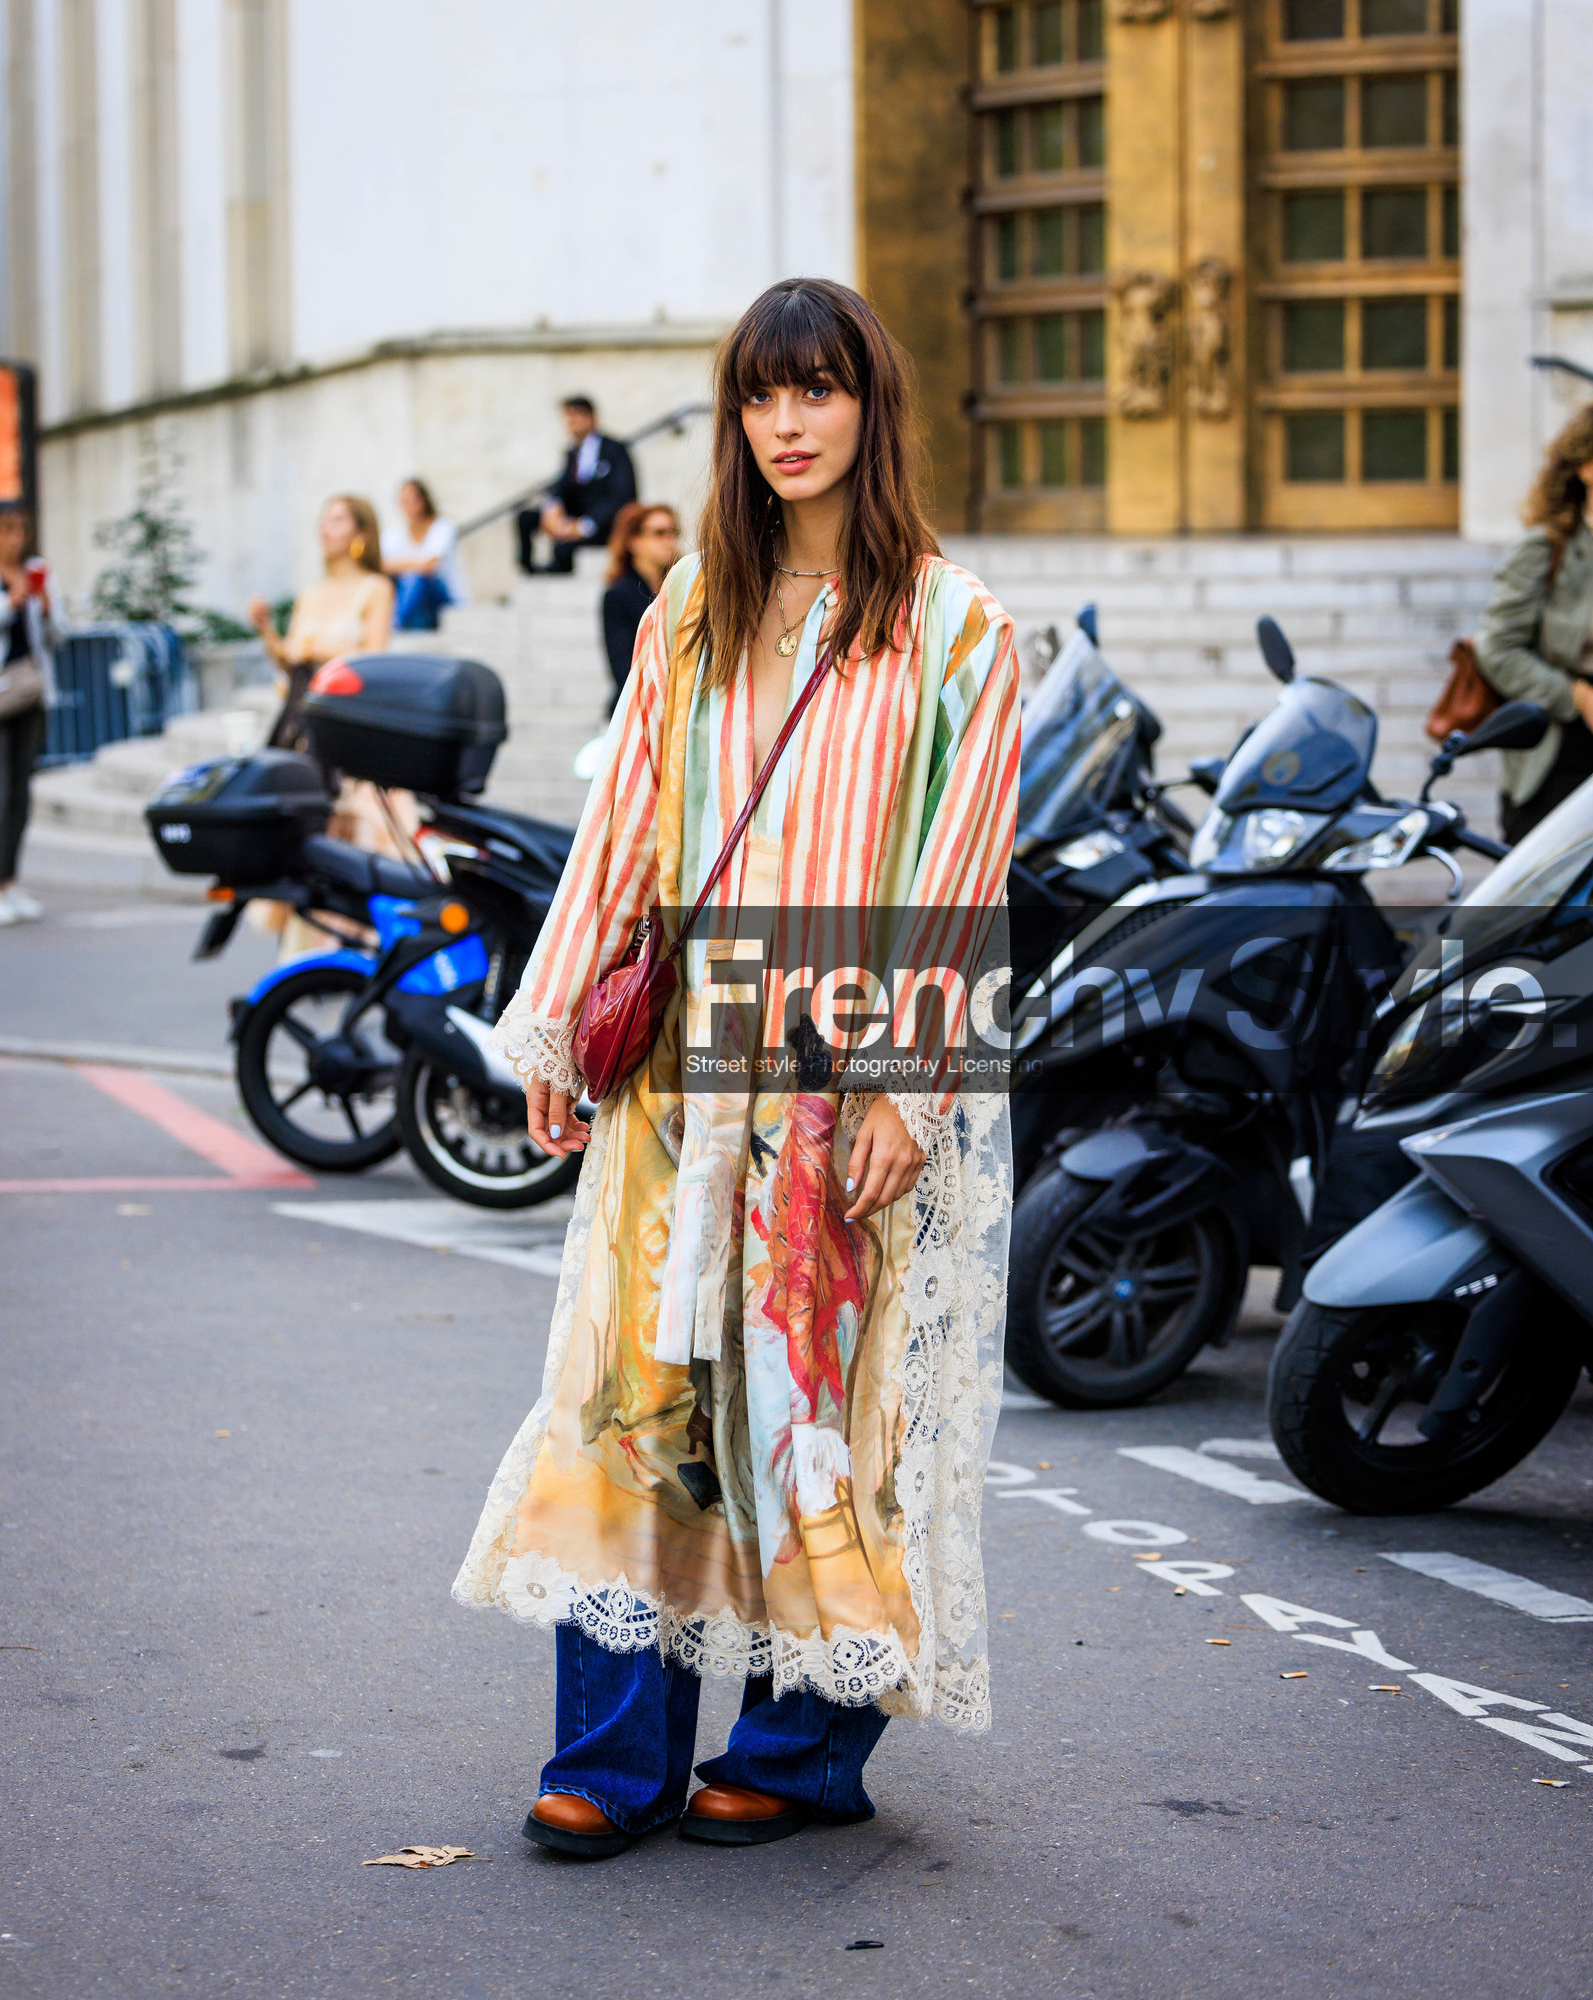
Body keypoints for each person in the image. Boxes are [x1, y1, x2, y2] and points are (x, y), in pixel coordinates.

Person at [455, 278, 1021, 1859]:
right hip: (684, 1075)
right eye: (763, 397)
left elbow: (963, 868)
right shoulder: (693, 602)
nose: (788, 423)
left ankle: (800, 1749)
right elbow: (626, 826)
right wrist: (560, 1025)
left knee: (822, 1415)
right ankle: (613, 1758)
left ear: (870, 407)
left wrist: (912, 1086)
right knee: (639, 1401)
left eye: (820, 389)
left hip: (843, 1072)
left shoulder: (958, 625)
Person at [1476, 404, 1593, 843]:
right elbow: (1496, 649)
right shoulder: (1546, 548)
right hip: (1560, 752)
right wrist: (1576, 696)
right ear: (1584, 466)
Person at [250, 495, 394, 752]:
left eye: (337, 520)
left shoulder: (376, 587)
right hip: (301, 716)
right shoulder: (310, 593)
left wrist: (313, 650)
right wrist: (266, 629)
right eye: (323, 520)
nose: (325, 527)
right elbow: (288, 661)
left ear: (361, 532)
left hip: (347, 717)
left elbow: (375, 658)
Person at [0, 498, 60, 926]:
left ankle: (8, 881)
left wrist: (48, 609)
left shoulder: (36, 571)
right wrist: (11, 602)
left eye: (22, 529)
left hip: (32, 694)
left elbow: (58, 637)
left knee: (20, 795)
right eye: (8, 529)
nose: (17, 538)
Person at [514, 396, 637, 575]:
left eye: (578, 415)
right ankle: (528, 569)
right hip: (576, 517)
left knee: (563, 547)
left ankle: (557, 568)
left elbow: (621, 496)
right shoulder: (573, 452)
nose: (572, 421)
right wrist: (553, 508)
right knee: (526, 518)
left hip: (603, 524)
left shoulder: (615, 450)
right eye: (569, 416)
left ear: (592, 418)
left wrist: (584, 525)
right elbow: (562, 487)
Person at [601, 501, 680, 709]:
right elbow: (623, 668)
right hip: (637, 709)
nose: (668, 541)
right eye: (659, 533)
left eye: (673, 532)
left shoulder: (681, 589)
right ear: (633, 541)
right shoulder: (618, 595)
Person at [382, 478, 468, 632]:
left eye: (411, 500)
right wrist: (414, 564)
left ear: (423, 501)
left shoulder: (443, 528)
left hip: (443, 597)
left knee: (416, 579)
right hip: (411, 597)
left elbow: (429, 566)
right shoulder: (395, 534)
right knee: (400, 581)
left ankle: (395, 626)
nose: (407, 506)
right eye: (403, 501)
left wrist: (401, 566)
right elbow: (380, 564)